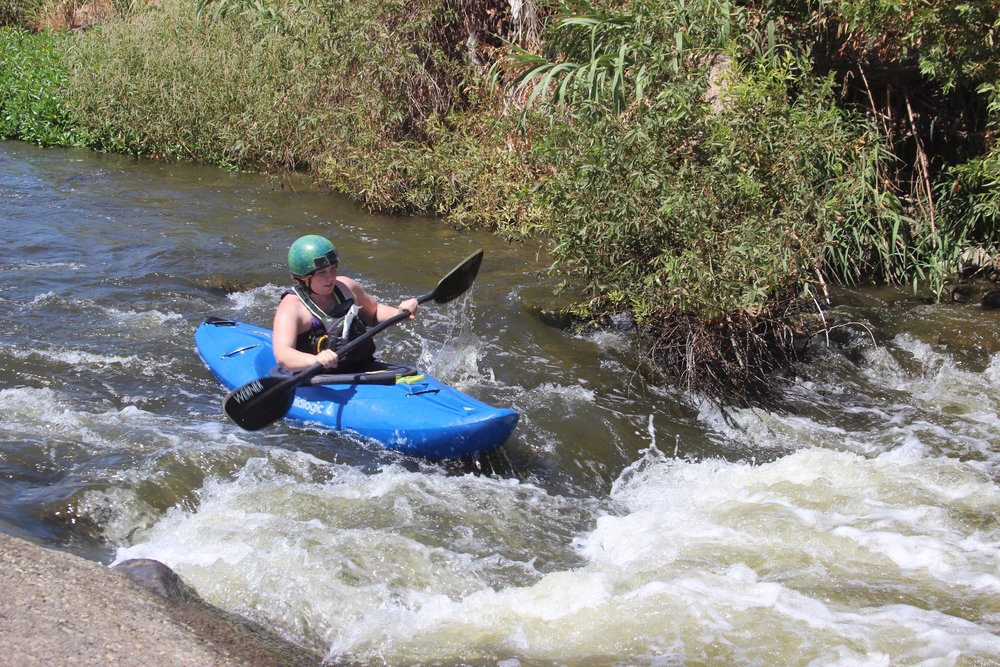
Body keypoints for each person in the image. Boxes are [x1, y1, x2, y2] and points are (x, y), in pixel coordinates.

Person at [272, 235, 419, 373]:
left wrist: (399, 314)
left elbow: (374, 313)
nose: (330, 277)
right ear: (303, 278)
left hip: (359, 368)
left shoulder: (346, 287)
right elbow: (283, 354)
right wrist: (315, 359)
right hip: (318, 376)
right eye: (321, 272)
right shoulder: (291, 308)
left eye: (333, 268)